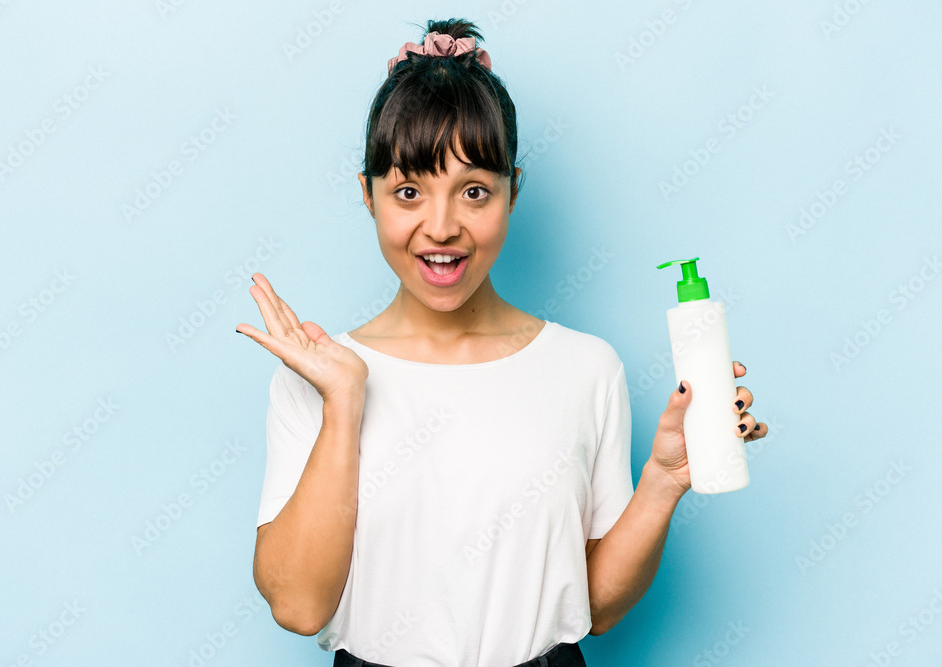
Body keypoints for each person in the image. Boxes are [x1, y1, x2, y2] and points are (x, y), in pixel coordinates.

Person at [237, 18, 767, 667]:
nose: (441, 227)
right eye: (409, 191)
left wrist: (663, 479)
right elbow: (298, 606)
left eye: (475, 191)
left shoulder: (586, 368)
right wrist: (345, 400)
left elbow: (593, 608)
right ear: (368, 195)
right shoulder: (318, 378)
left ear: (513, 191)